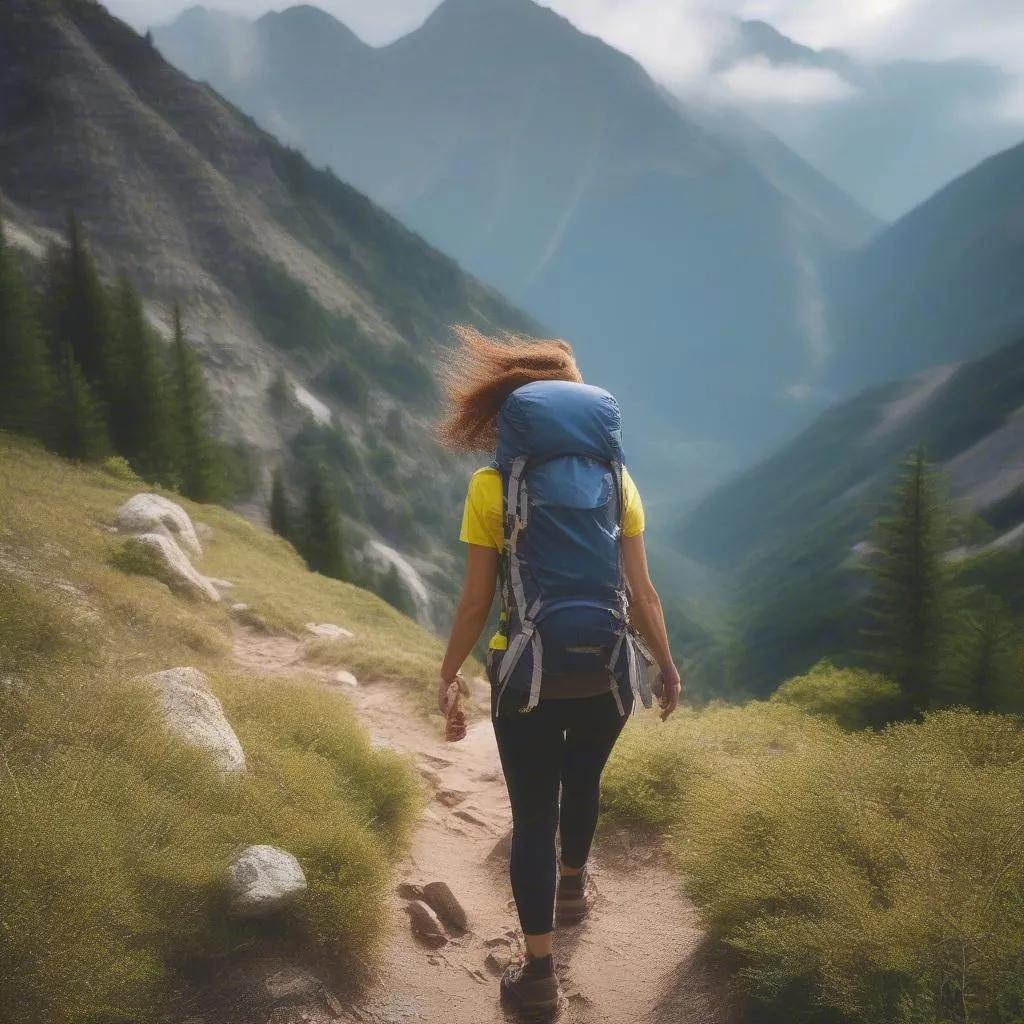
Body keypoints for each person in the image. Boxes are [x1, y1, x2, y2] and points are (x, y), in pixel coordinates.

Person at [437, 327, 682, 1020]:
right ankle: (575, 887)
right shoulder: (617, 479)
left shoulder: (490, 487)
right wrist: (664, 667)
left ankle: (538, 975)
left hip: (526, 680)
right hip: (608, 671)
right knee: (586, 781)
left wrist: (449, 672)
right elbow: (644, 595)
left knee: (533, 812)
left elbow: (477, 602)